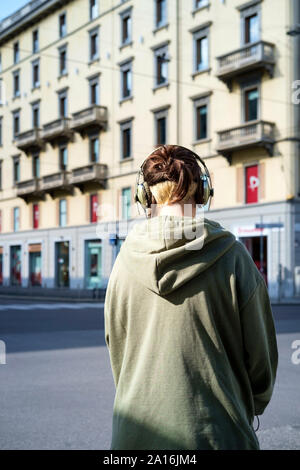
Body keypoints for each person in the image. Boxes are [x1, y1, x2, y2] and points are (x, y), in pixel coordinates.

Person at [104, 144, 278, 450]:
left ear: (144, 196)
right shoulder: (233, 258)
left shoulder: (124, 261)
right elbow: (261, 360)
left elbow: (117, 350)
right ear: (203, 192)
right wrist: (248, 405)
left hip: (133, 436)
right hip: (216, 434)